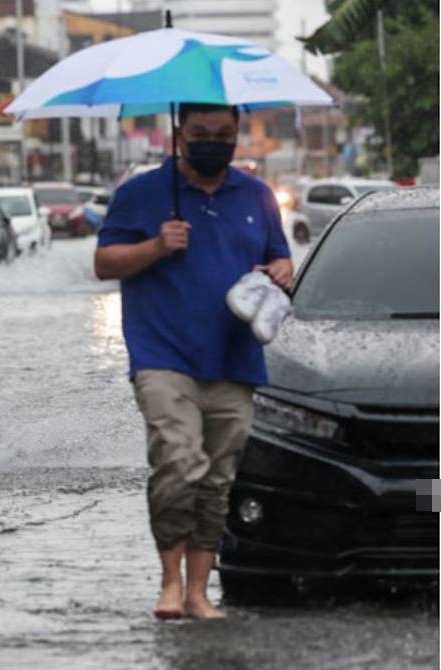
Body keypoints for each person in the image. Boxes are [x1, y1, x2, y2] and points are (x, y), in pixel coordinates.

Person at [94, 103, 293, 620]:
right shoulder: (139, 194)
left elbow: (280, 257)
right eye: (201, 133)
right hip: (162, 354)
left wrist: (281, 269)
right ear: (179, 134)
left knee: (218, 477)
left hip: (236, 355)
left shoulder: (256, 195)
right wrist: (157, 245)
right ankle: (169, 583)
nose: (214, 142)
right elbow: (103, 262)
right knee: (178, 463)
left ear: (237, 134)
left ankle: (199, 591)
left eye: (224, 134)